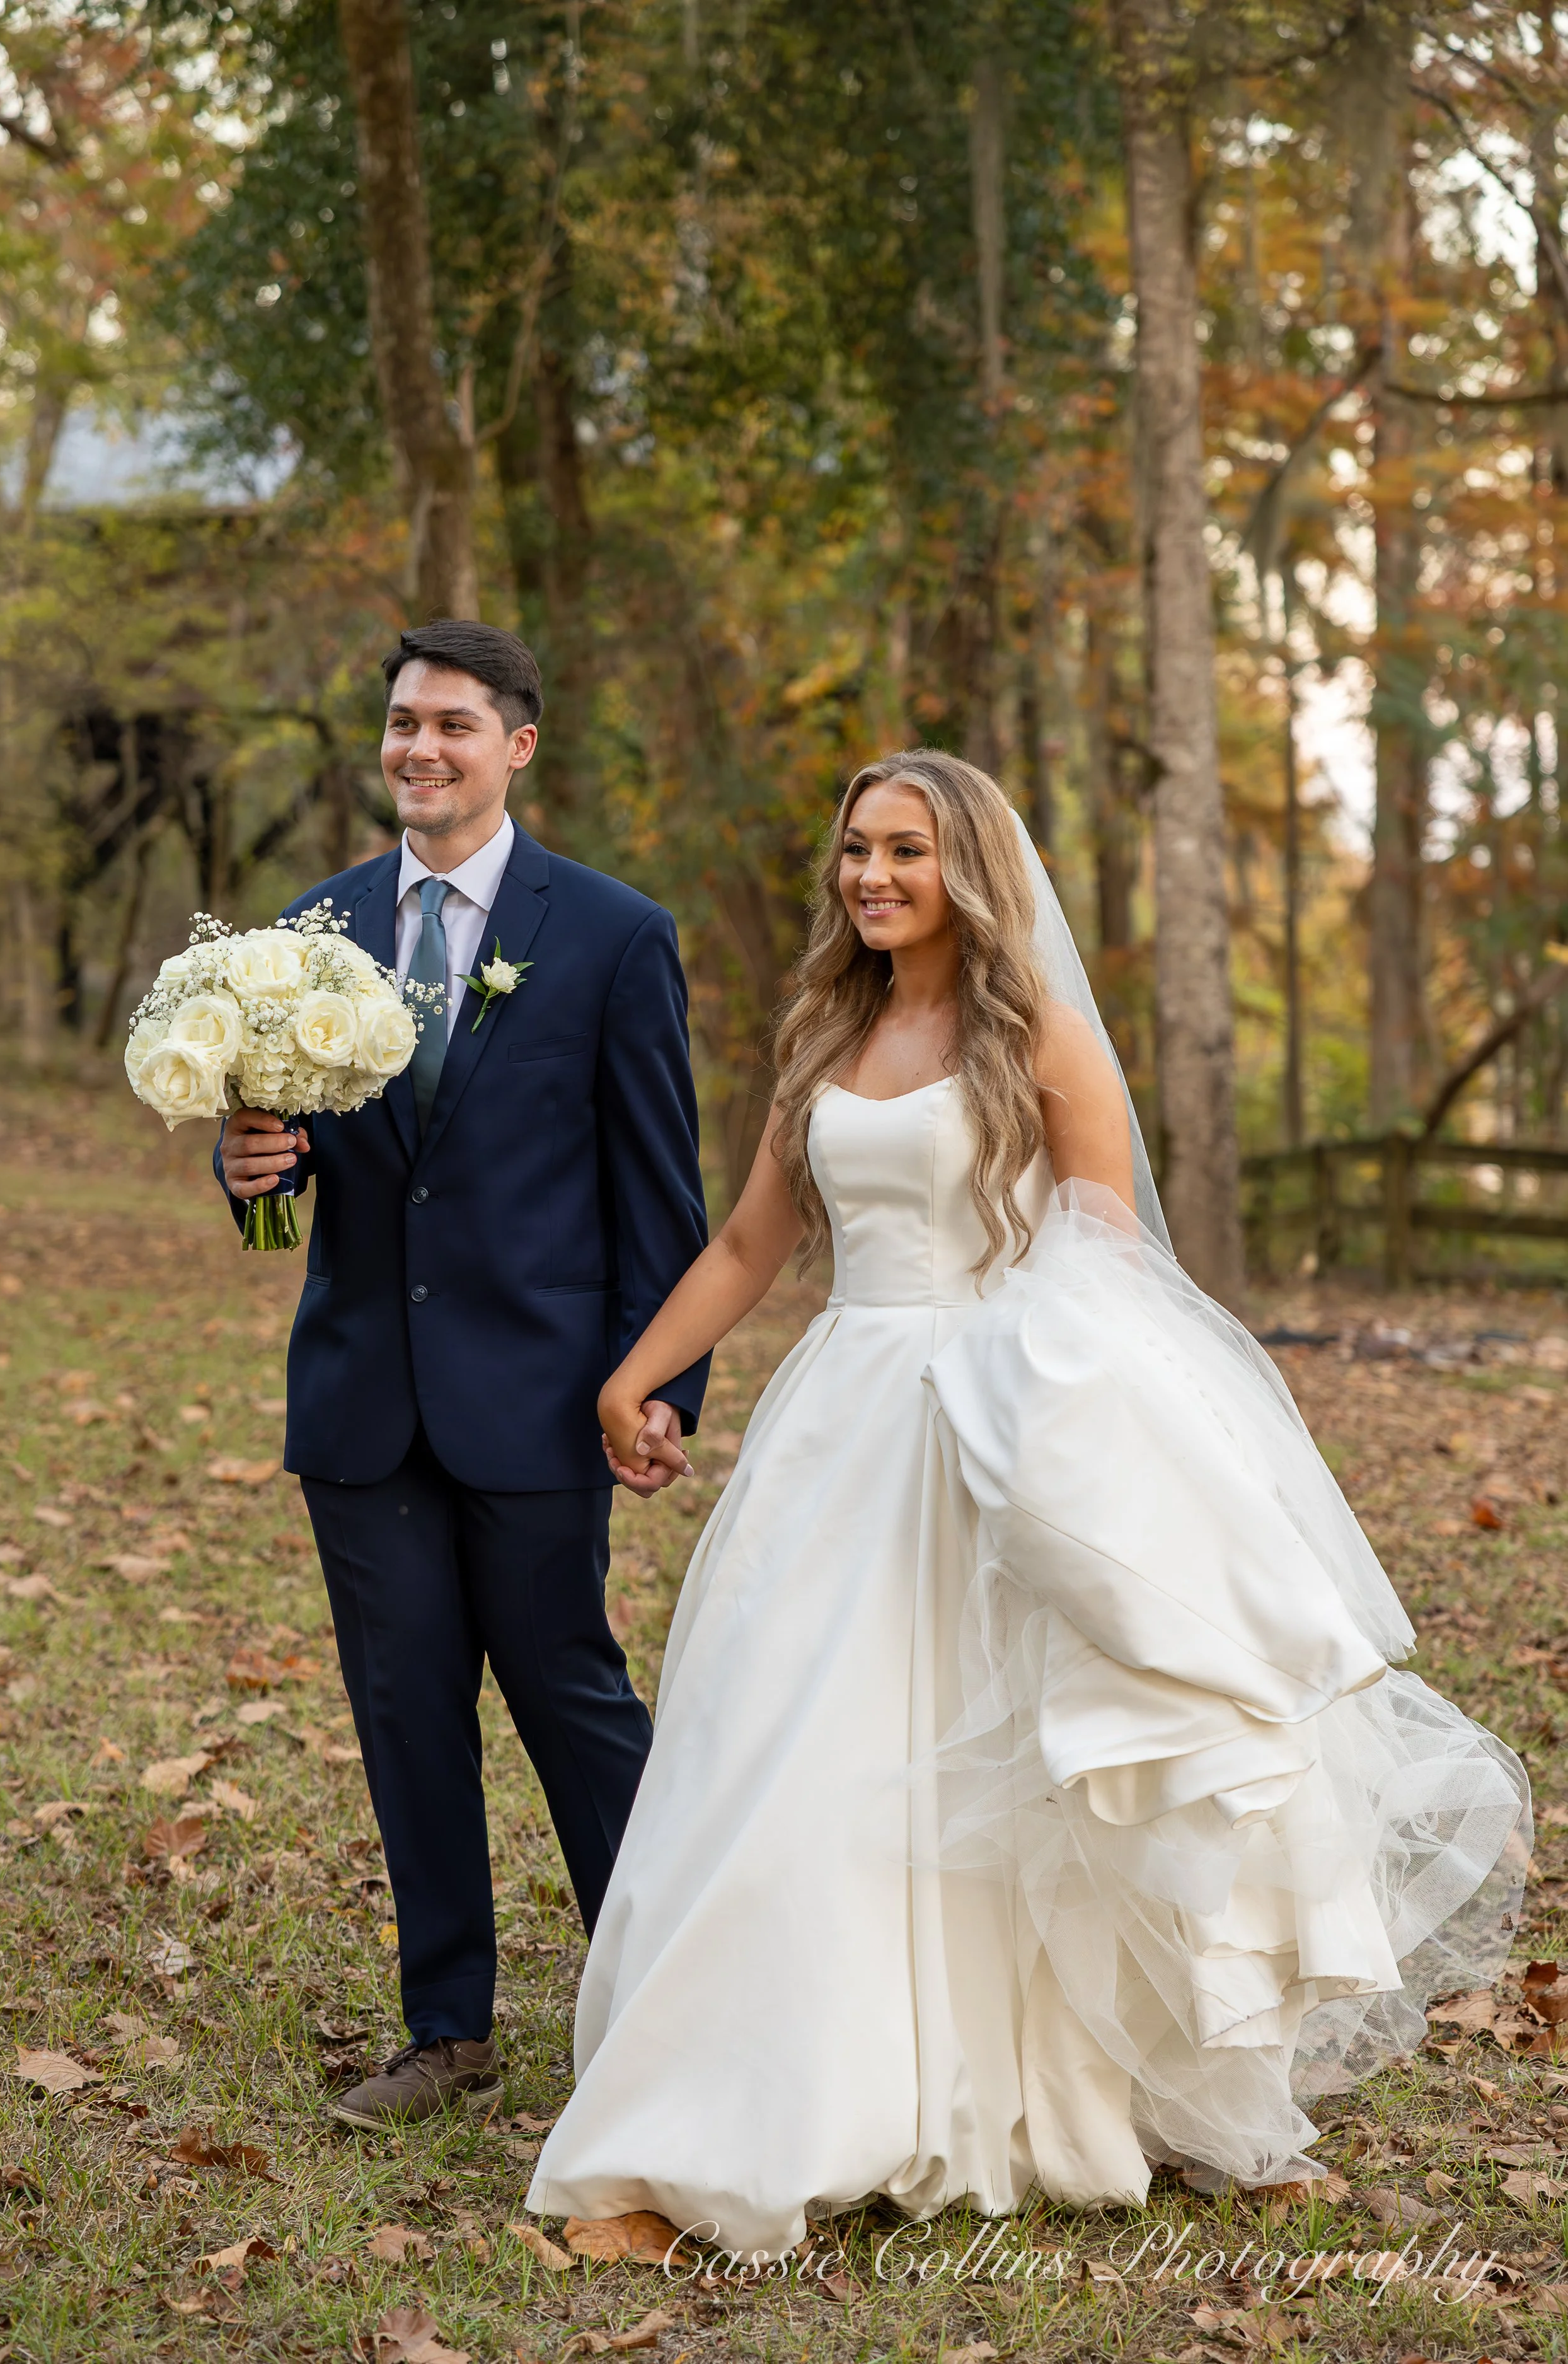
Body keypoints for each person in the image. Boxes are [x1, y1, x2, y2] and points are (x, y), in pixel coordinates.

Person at [525, 748, 1530, 2257]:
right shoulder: (822, 1034)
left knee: (1033, 1772)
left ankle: (1097, 2094)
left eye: (905, 851)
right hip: (840, 1427)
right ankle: (757, 2106)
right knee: (797, 1754)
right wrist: (636, 1374)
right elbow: (750, 1239)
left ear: (969, 870)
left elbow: (1106, 1263)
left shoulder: (1038, 1037)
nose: (870, 876)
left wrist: (1052, 1432)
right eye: (855, 849)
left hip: (1002, 1424)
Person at [214, 620, 708, 2129]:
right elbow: (284, 1184)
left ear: (517, 745)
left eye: (450, 725)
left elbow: (660, 1196)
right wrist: (249, 1175)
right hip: (363, 1392)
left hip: (546, 1395)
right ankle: (447, 2031)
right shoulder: (311, 933)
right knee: (404, 1705)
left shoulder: (613, 934)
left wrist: (663, 1390)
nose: (417, 748)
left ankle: (662, 2010)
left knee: (572, 1693)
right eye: (400, 724)